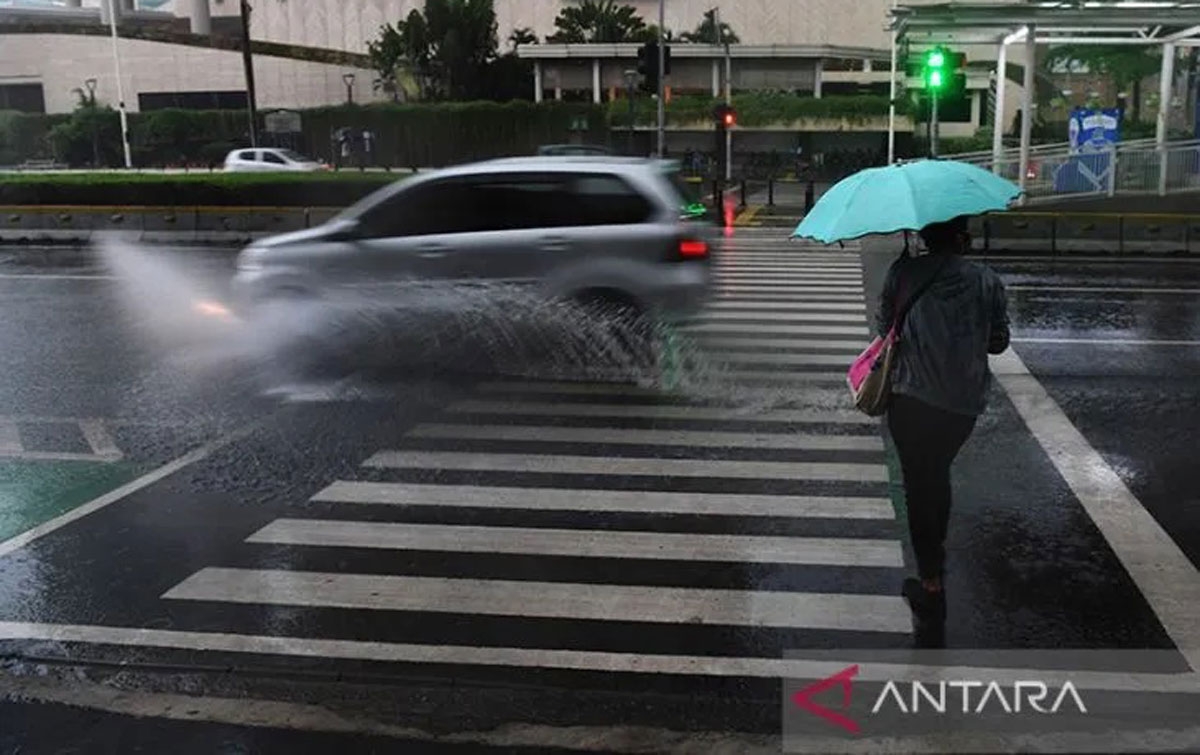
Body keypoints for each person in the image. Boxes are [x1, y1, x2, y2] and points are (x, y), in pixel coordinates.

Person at [875, 215, 1010, 645]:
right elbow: (998, 342)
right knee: (938, 473)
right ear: (961, 236)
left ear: (924, 235)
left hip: (911, 398)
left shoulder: (904, 272)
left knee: (919, 482)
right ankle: (936, 560)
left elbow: (884, 329)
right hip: (962, 403)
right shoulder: (987, 280)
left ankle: (929, 579)